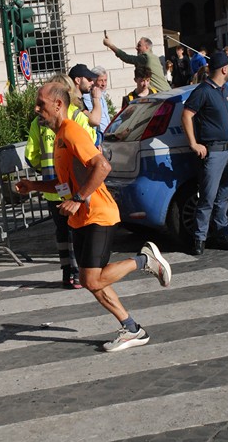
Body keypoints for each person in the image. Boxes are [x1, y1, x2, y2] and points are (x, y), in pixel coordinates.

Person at [16, 82, 172, 352]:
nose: (36, 109)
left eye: (41, 104)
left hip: (98, 214)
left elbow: (102, 166)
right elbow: (65, 186)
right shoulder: (59, 138)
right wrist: (33, 186)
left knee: (91, 279)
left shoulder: (72, 132)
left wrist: (77, 201)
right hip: (82, 218)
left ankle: (145, 260)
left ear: (58, 105)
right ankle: (132, 329)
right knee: (93, 280)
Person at [25, 73, 97, 290]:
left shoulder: (38, 123)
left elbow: (31, 154)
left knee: (61, 231)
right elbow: (91, 146)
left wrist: (46, 167)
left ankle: (67, 274)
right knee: (76, 229)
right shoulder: (77, 117)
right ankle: (80, 273)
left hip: (52, 186)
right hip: (75, 187)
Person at [181, 51, 228, 256]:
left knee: (224, 196)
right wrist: (193, 144)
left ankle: (222, 235)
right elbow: (187, 115)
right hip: (213, 152)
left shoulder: (224, 89)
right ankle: (199, 239)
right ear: (224, 69)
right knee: (207, 197)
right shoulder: (203, 91)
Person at [103, 34, 170, 93]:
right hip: (167, 91)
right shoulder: (155, 57)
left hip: (162, 95)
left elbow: (126, 57)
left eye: (139, 45)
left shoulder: (145, 58)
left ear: (146, 47)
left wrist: (110, 45)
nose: (136, 48)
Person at [68, 64, 102, 132]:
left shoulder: (79, 100)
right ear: (78, 80)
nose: (92, 82)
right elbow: (95, 121)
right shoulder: (73, 101)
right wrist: (96, 98)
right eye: (89, 79)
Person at [83, 65, 111, 146]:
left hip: (106, 136)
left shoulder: (102, 96)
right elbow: (93, 118)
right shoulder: (88, 97)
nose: (104, 84)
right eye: (101, 81)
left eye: (105, 80)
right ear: (93, 81)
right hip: (97, 138)